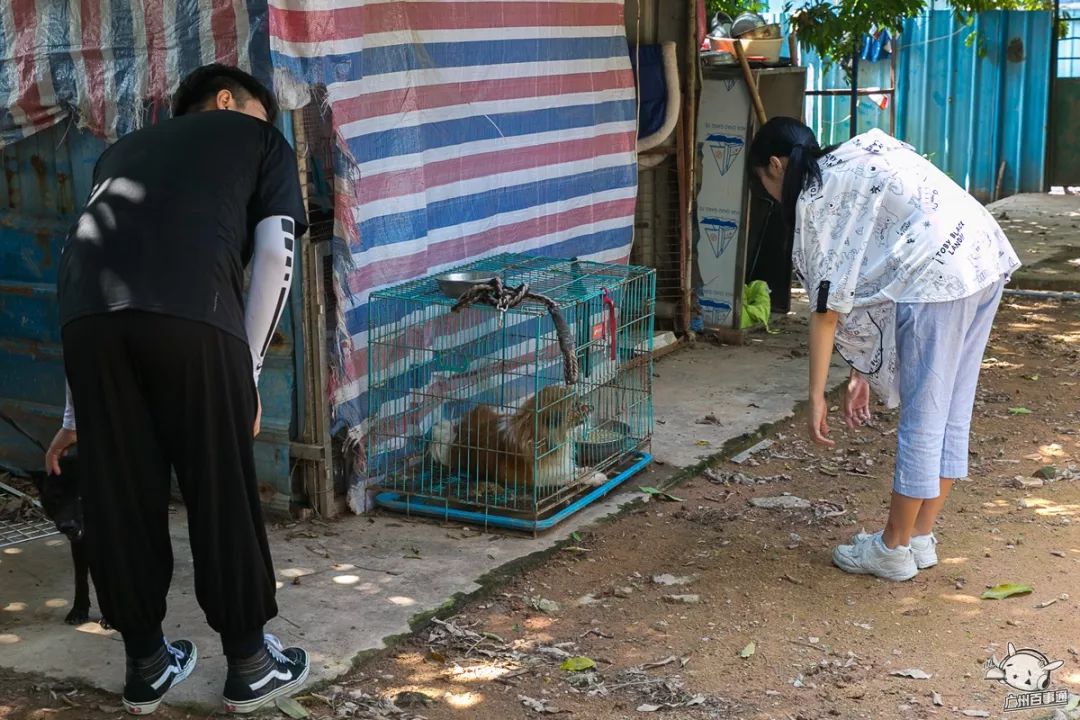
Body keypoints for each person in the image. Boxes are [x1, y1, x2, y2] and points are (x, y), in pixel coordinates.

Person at [44, 64, 310, 715]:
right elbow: (277, 253)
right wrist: (245, 374)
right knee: (219, 482)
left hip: (87, 321)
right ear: (227, 101)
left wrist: (75, 409)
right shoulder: (259, 141)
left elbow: (87, 257)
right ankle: (250, 666)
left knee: (119, 487)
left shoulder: (121, 151)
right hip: (192, 315)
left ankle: (146, 666)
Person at [748, 118, 1020, 582]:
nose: (770, 197)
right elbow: (879, 266)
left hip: (938, 279)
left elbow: (827, 310)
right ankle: (919, 537)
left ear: (774, 165)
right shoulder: (861, 153)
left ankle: (893, 549)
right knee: (951, 408)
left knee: (924, 417)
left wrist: (816, 395)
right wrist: (862, 372)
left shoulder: (816, 199)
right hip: (981, 254)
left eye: (763, 184)